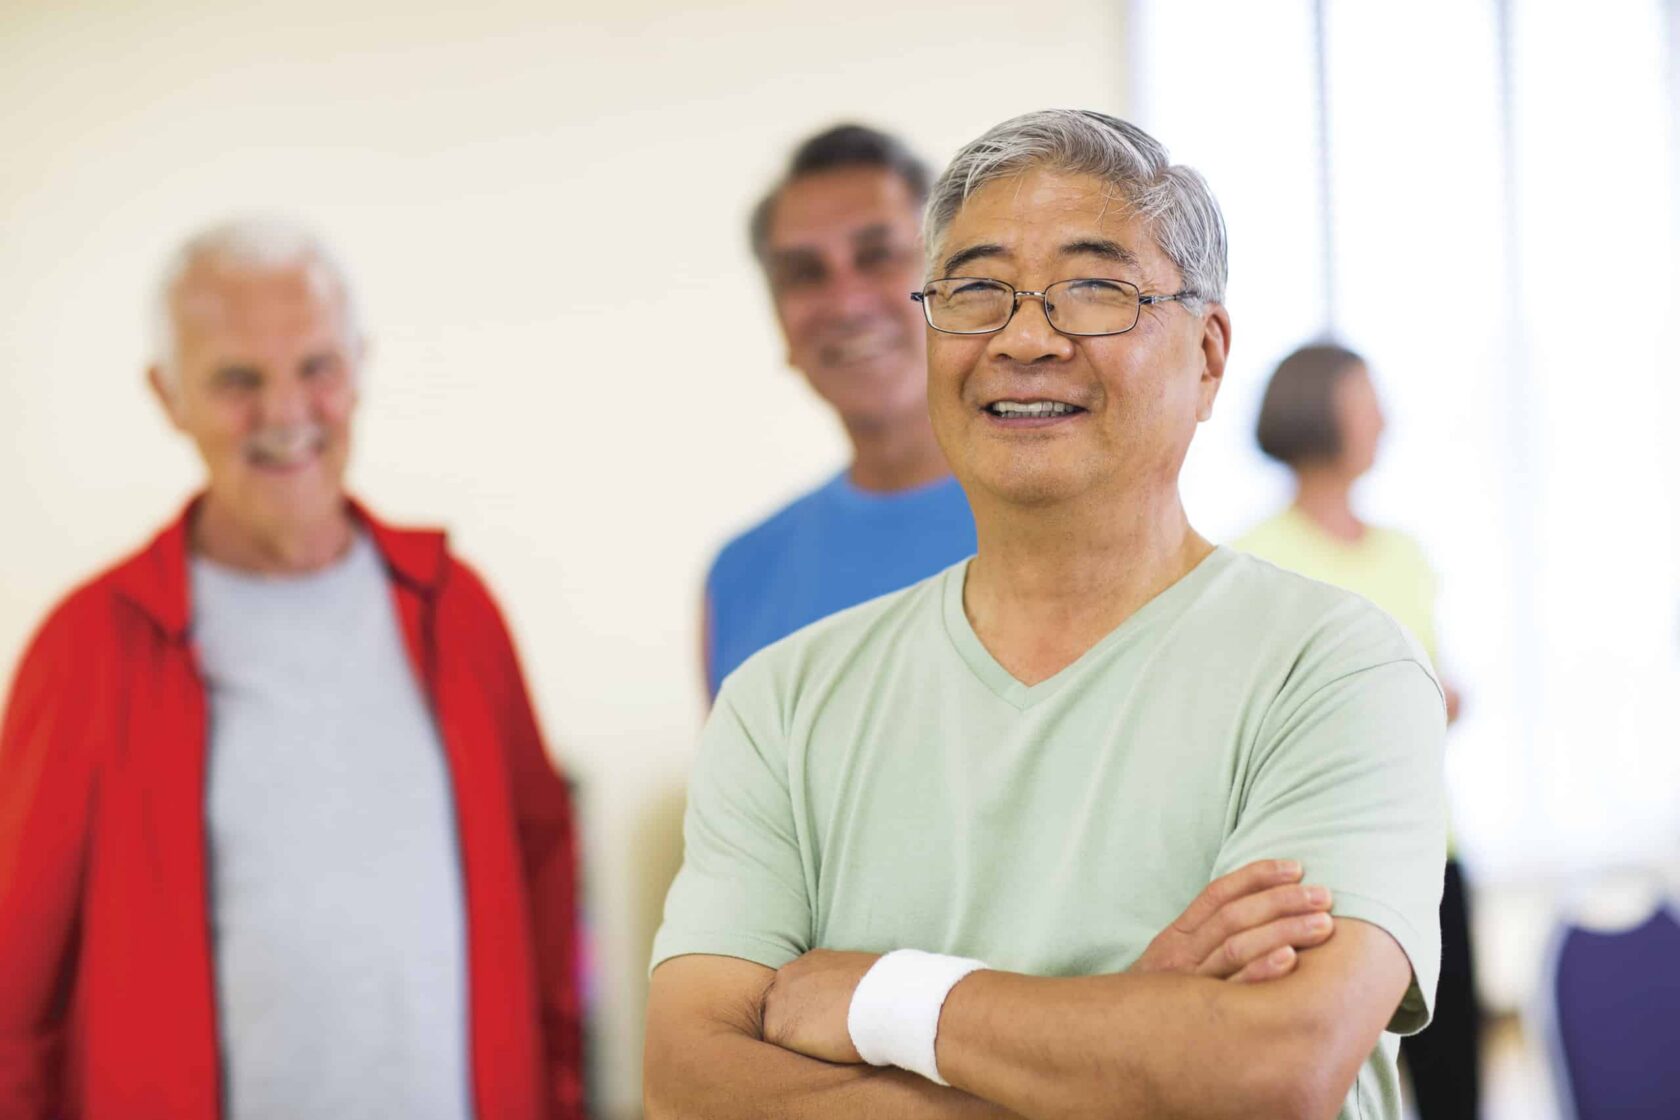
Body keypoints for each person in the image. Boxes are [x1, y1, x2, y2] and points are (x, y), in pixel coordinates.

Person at [646, 109, 1448, 1120]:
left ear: (1207, 354)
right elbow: (689, 1086)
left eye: (1094, 289)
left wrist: (883, 1000)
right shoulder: (781, 701)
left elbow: (1274, 1069)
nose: (1025, 336)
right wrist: (1132, 1044)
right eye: (976, 292)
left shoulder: (1335, 668)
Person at [0, 219, 586, 1120]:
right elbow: (15, 992)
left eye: (316, 366)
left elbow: (547, 901)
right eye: (237, 379)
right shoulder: (89, 646)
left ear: (358, 366)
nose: (285, 413)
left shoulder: (456, 609)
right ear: (168, 395)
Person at [1238, 342, 1478, 1119]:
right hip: (1325, 880)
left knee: (1453, 1080)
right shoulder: (1257, 560)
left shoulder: (1404, 552)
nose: (1385, 420)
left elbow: (1433, 687)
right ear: (1321, 414)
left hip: (1433, 858)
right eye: (1367, 402)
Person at [703, 124, 977, 699]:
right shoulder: (740, 578)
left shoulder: (1072, 524)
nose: (847, 303)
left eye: (878, 256)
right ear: (780, 320)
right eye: (805, 274)